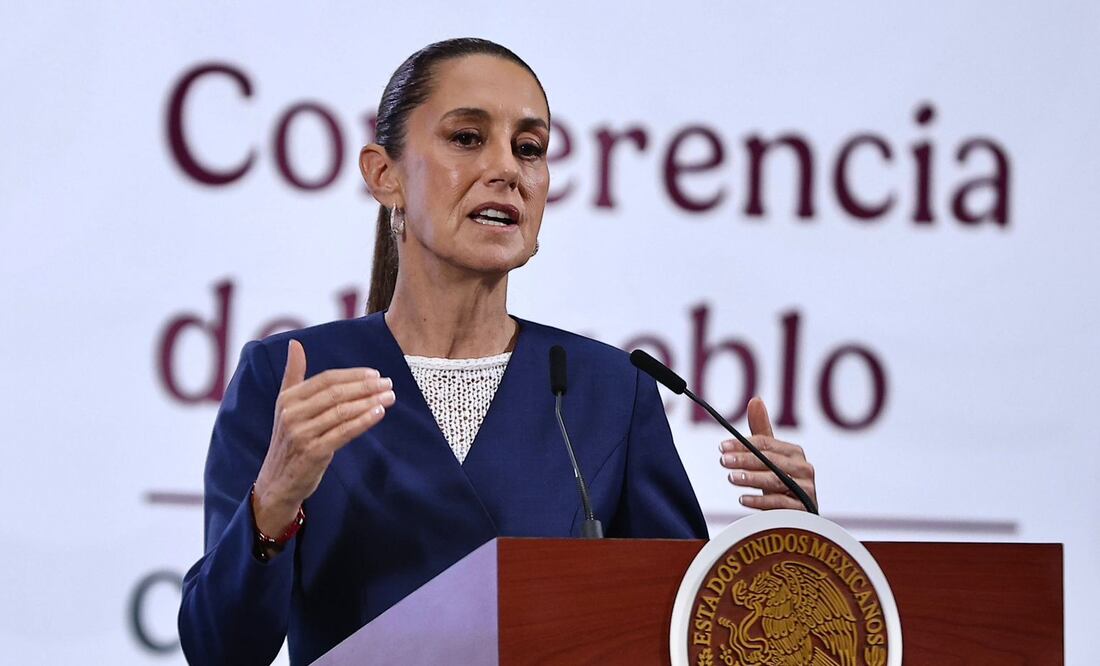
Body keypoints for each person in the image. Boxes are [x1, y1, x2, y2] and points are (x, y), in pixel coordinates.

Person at [177, 38, 817, 666]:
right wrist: (275, 500)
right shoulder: (291, 377)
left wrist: (790, 548)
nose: (508, 169)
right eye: (466, 138)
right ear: (384, 174)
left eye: (530, 148)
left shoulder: (606, 390)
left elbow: (679, 629)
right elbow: (218, 650)